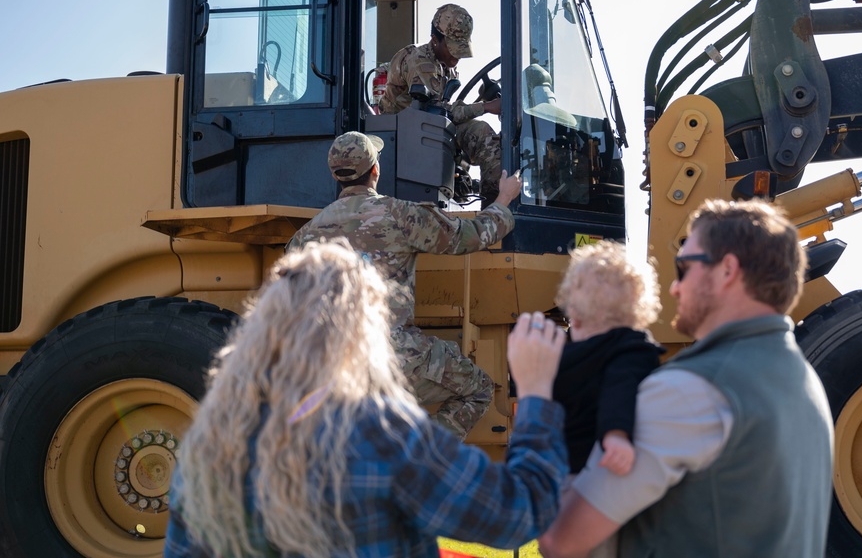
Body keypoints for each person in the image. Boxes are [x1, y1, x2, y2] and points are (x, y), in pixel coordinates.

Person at [164, 239, 568, 558]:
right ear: (361, 332)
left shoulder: (206, 447)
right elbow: (519, 515)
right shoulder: (380, 432)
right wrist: (534, 395)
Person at [539, 199, 835, 558]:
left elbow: (561, 540)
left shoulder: (689, 391)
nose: (675, 288)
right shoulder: (803, 380)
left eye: (684, 267)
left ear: (727, 270)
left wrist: (534, 397)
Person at [287, 131, 521, 440]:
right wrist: (504, 199)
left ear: (336, 174)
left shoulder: (305, 236)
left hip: (332, 368)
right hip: (392, 358)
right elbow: (471, 236)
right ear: (375, 170)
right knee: (477, 389)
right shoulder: (399, 215)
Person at [550, 240, 665, 558]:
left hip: (559, 480)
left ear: (575, 312)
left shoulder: (561, 358)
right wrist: (616, 436)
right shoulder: (631, 349)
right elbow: (620, 388)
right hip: (599, 481)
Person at [378, 3, 503, 206]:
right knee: (480, 132)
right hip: (404, 136)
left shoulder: (445, 66)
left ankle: (493, 203)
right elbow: (436, 113)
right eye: (453, 49)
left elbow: (446, 110)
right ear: (435, 39)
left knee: (483, 135)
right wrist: (486, 107)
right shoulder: (420, 62)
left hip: (426, 132)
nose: (457, 57)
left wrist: (481, 103)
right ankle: (494, 211)